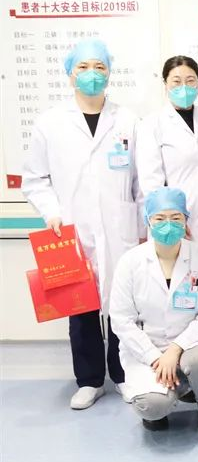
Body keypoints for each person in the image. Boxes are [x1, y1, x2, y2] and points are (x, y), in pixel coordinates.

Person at [22, 38, 141, 409]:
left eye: (100, 67)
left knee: (123, 304)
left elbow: (142, 180)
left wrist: (142, 224)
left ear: (110, 73)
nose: (92, 74)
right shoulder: (50, 123)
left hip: (120, 227)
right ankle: (90, 380)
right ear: (70, 74)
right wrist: (51, 211)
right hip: (72, 228)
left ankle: (124, 375)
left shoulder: (128, 120)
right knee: (81, 304)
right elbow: (34, 179)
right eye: (84, 68)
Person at [109, 187, 198, 440]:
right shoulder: (130, 262)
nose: (168, 224)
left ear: (186, 220)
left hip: (192, 343)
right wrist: (155, 357)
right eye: (160, 218)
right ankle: (168, 396)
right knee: (152, 407)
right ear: (148, 221)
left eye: (176, 218)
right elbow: (121, 319)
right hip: (148, 347)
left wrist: (175, 349)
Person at [136, 56, 198, 275]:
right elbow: (151, 180)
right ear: (165, 84)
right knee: (184, 274)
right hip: (178, 213)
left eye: (190, 80)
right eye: (176, 81)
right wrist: (171, 217)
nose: (184, 87)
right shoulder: (152, 124)